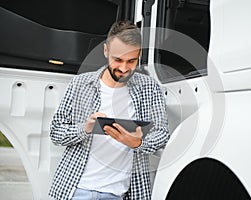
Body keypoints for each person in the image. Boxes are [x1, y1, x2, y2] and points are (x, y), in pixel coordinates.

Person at [48, 20, 170, 200]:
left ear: (139, 55)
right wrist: (85, 128)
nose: (123, 68)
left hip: (119, 194)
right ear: (106, 51)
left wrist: (137, 143)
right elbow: (56, 132)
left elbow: (162, 133)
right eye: (118, 60)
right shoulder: (80, 84)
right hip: (76, 190)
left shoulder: (150, 88)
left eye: (131, 61)